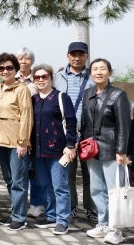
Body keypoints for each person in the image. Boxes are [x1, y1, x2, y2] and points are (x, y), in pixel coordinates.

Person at [83, 58, 131, 244]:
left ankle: (115, 229)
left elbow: (124, 126)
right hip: (92, 150)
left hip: (112, 150)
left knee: (114, 191)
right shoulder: (88, 93)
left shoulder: (118, 95)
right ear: (90, 73)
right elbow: (85, 122)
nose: (99, 72)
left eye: (103, 69)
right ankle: (103, 223)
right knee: (96, 189)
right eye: (95, 69)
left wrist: (121, 151)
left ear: (110, 73)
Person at [30, 64, 77, 235]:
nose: (41, 80)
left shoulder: (61, 97)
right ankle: (50, 216)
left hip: (58, 151)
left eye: (44, 76)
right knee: (44, 184)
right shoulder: (33, 99)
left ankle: (62, 220)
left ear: (51, 78)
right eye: (37, 77)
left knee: (60, 186)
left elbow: (70, 121)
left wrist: (71, 145)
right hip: (38, 151)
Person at [53, 41, 97, 222]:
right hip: (65, 133)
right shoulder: (58, 77)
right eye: (73, 54)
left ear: (86, 56)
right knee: (67, 173)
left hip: (88, 133)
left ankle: (92, 208)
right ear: (68, 56)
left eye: (81, 54)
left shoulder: (93, 76)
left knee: (91, 173)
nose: (77, 58)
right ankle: (70, 206)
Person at [0, 52, 33, 231]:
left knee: (19, 181)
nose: (5, 71)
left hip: (17, 142)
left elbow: (26, 116)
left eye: (9, 67)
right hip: (1, 141)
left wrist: (23, 142)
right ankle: (15, 211)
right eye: (1, 68)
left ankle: (20, 218)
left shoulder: (21, 89)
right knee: (9, 180)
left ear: (16, 69)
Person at [14, 47, 42, 219]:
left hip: (35, 130)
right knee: (18, 171)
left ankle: (36, 204)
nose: (23, 62)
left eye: (27, 59)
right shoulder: (11, 78)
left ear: (32, 61)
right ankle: (18, 203)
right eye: (20, 58)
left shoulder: (38, 79)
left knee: (34, 170)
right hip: (16, 131)